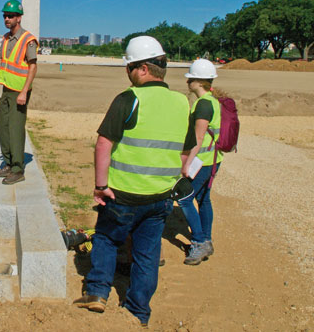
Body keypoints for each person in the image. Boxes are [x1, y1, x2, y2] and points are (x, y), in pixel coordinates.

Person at [74, 36, 194, 326]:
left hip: (123, 195)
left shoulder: (130, 98)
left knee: (105, 238)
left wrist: (101, 185)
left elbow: (104, 143)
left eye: (128, 67)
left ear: (141, 69)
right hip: (160, 198)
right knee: (147, 254)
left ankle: (98, 292)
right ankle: (139, 311)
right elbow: (186, 151)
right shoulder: (181, 102)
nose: (127, 74)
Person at [179, 58, 222, 265]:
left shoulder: (204, 104)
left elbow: (198, 137)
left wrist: (186, 164)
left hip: (202, 161)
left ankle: (199, 241)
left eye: (190, 79)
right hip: (214, 159)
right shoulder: (214, 101)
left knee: (185, 198)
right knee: (204, 199)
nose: (188, 83)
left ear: (198, 81)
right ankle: (206, 238)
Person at [0, 0, 37, 185]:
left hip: (19, 92)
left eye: (10, 16)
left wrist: (24, 91)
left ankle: (18, 169)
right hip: (7, 89)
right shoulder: (6, 38)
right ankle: (8, 163)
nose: (7, 19)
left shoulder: (28, 40)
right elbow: (4, 65)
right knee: (4, 128)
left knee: (16, 129)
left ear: (19, 17)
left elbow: (33, 67)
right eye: (5, 16)